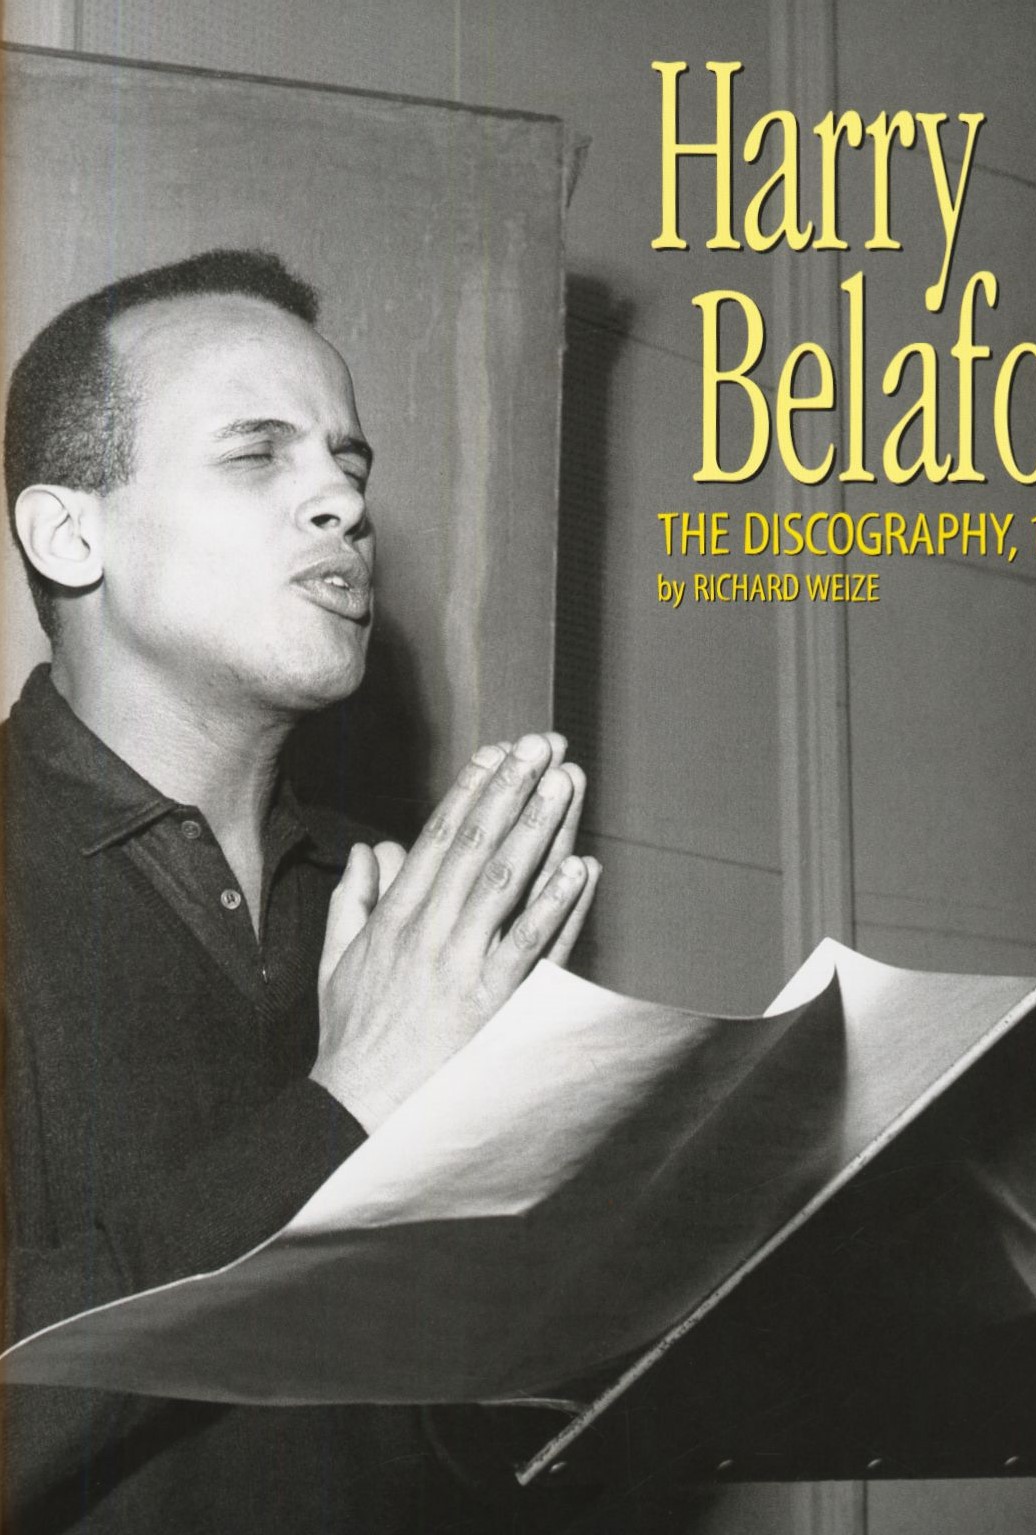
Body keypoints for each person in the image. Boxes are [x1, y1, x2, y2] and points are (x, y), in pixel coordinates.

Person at [2, 248, 600, 1533]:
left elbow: (447, 1439)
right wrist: (351, 1104)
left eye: (349, 462)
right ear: (69, 533)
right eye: (255, 453)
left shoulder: (407, 910)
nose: (342, 499)